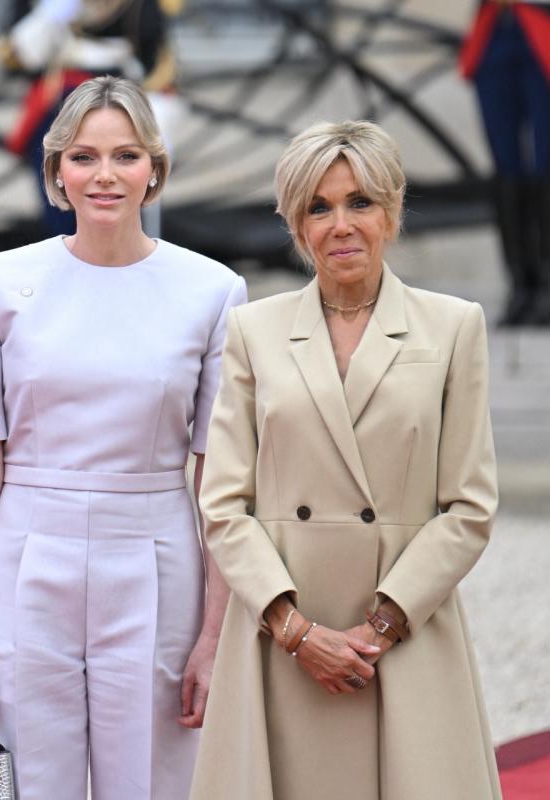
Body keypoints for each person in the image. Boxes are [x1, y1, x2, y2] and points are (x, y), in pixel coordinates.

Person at [0, 75, 246, 798]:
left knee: (152, 780)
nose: (105, 175)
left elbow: (220, 478)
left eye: (126, 156)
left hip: (156, 556)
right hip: (24, 557)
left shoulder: (213, 291)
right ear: (56, 171)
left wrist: (215, 634)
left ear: (154, 169)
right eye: (83, 157)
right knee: (25, 781)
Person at [190, 120, 501, 799]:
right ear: (295, 223)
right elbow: (223, 503)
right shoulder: (253, 330)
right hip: (283, 639)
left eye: (359, 201)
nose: (340, 225)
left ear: (391, 209)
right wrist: (297, 632)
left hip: (405, 635)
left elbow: (469, 507)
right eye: (318, 207)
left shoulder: (454, 326)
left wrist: (382, 626)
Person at [0, 0, 181, 237]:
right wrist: (49, 17)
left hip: (120, 99)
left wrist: (155, 118)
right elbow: (19, 58)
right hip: (60, 104)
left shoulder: (138, 6)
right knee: (60, 198)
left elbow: (154, 63)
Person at [460, 1, 550, 324]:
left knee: (545, 162)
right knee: (505, 165)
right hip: (496, 28)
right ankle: (520, 287)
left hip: (542, 27)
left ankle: (546, 286)